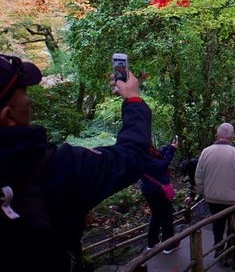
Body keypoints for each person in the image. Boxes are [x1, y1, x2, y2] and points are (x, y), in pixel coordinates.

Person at [0, 53, 152, 272]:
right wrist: (133, 99)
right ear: (7, 116)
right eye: (23, 92)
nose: (29, 99)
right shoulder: (59, 167)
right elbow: (131, 157)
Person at [195, 122, 235, 268]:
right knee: (233, 227)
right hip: (233, 200)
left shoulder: (206, 152)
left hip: (212, 198)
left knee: (217, 225)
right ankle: (230, 253)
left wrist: (202, 192)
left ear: (217, 135)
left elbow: (199, 177)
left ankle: (218, 249)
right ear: (233, 137)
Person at [140, 139, 179, 253]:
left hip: (148, 189)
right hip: (157, 191)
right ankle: (168, 246)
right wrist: (171, 150)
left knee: (156, 215)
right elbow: (162, 164)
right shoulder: (144, 158)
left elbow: (159, 154)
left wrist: (169, 146)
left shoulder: (143, 152)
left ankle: (152, 243)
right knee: (167, 216)